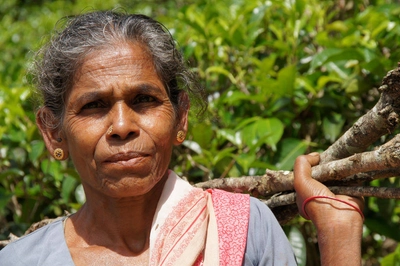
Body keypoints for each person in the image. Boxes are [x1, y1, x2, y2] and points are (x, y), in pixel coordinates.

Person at [0, 11, 363, 265]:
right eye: (94, 105)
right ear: (52, 132)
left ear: (181, 118)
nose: (122, 126)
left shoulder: (245, 229)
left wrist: (339, 234)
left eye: (144, 100)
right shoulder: (21, 261)